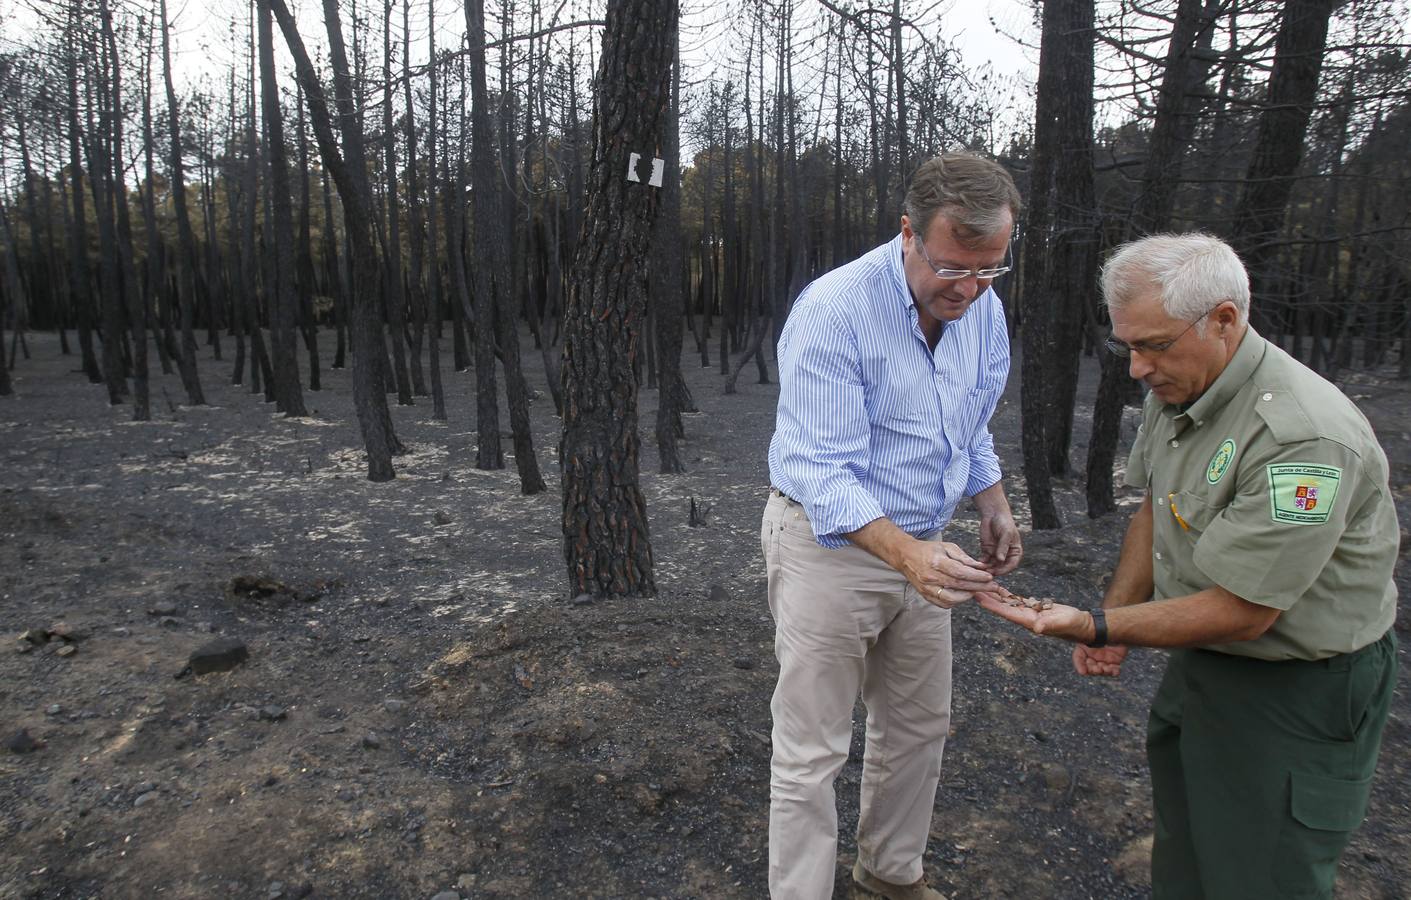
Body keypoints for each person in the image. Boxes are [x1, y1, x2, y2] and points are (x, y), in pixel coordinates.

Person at [981, 232, 1400, 899]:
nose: (1137, 368)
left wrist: (1097, 626)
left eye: (1153, 344)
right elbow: (1157, 508)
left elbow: (1244, 610)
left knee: (1262, 875)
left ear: (1224, 320)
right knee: (1188, 856)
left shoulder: (1301, 439)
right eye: (1127, 346)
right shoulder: (1181, 388)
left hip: (1295, 689)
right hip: (1201, 665)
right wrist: (1116, 616)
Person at [762, 153, 1024, 900]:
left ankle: (888, 875)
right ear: (907, 233)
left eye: (988, 270)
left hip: (925, 551)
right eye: (953, 267)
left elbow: (969, 423)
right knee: (812, 749)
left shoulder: (982, 309)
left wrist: (992, 503)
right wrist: (907, 554)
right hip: (827, 549)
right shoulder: (834, 310)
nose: (969, 289)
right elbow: (819, 470)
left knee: (917, 727)